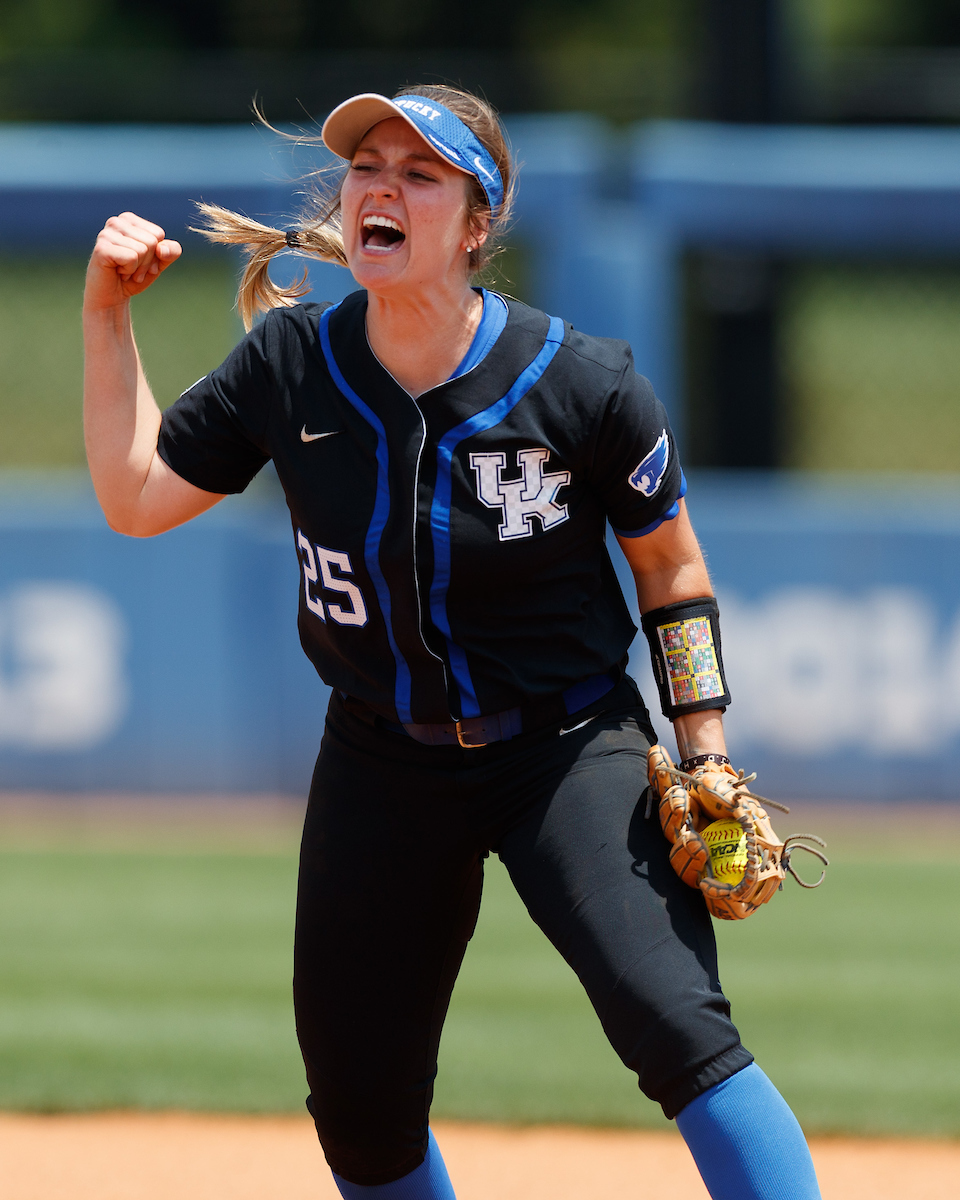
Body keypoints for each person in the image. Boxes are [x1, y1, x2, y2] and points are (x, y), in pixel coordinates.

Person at [82, 84, 821, 1200]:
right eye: (366, 166)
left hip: (566, 746)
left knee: (676, 1025)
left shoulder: (581, 382)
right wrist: (105, 315)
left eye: (419, 173)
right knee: (363, 1112)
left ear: (478, 223)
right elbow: (136, 497)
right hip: (382, 758)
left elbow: (672, 570)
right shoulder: (289, 367)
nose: (380, 186)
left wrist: (704, 746)